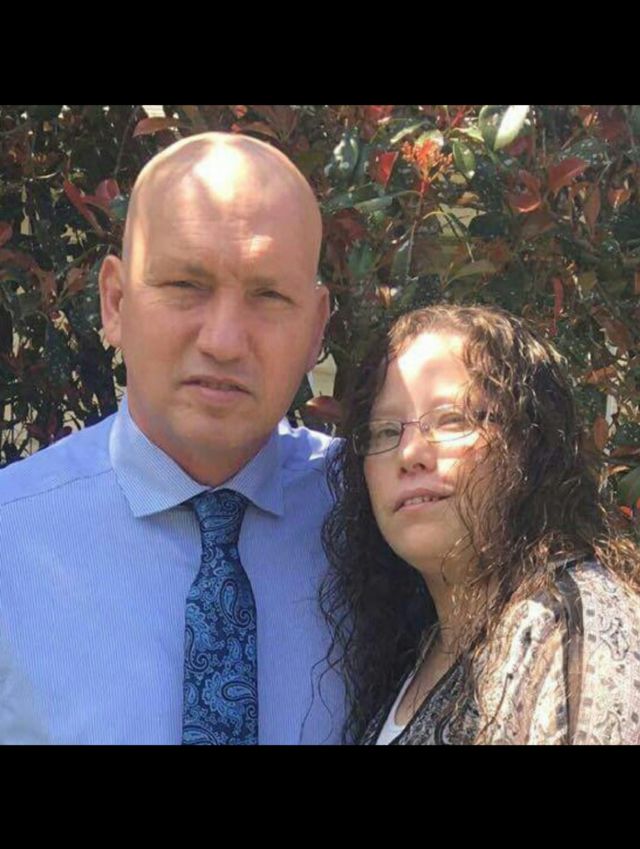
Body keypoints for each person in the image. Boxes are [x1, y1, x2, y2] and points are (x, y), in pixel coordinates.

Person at [0, 132, 346, 744]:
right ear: (115, 302)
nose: (224, 340)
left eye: (269, 295)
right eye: (186, 285)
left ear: (316, 329)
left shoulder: (372, 527)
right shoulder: (12, 538)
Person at [321, 304, 640, 744]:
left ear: (531, 443)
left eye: (452, 419)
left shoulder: (574, 630)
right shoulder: (419, 645)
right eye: (385, 431)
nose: (409, 453)